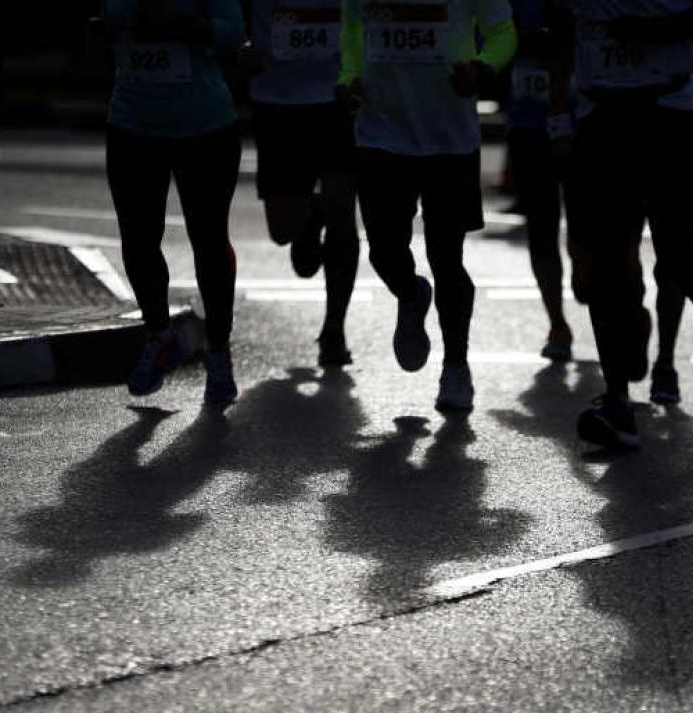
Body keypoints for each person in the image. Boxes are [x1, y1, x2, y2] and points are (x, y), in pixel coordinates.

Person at [554, 0, 693, 450]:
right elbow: (560, 26)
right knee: (605, 265)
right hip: (601, 115)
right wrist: (556, 120)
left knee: (674, 253)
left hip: (667, 111)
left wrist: (655, 29)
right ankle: (618, 403)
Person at [337, 0, 517, 411]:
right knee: (383, 251)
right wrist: (350, 75)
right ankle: (411, 293)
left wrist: (482, 67)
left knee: (446, 257)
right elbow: (351, 29)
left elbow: (503, 32)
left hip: (449, 138)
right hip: (380, 132)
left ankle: (456, 365)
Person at [104, 0, 245, 405]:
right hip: (132, 126)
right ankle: (160, 335)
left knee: (210, 238)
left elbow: (230, 35)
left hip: (205, 128)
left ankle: (217, 349)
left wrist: (185, 23)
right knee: (138, 236)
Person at [246, 0, 360, 366]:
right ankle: (311, 214)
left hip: (337, 98)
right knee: (282, 232)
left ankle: (334, 329)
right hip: (278, 103)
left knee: (343, 212)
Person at [505, 0, 574, 361]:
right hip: (529, 127)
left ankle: (587, 280)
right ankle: (557, 323)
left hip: (585, 124)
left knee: (587, 236)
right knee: (541, 230)